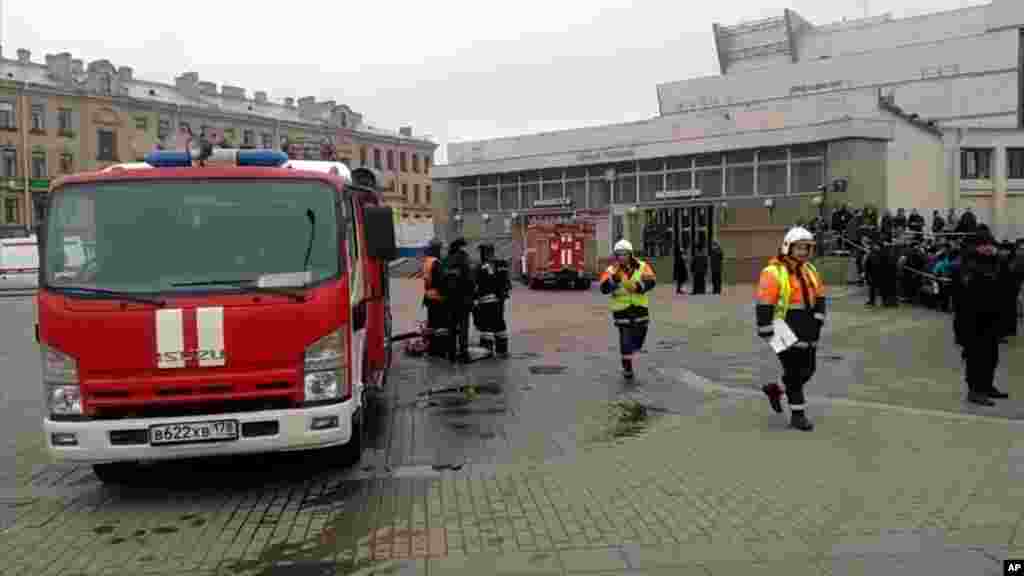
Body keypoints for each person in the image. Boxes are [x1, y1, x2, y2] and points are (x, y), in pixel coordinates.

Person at [757, 227, 826, 431]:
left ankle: (776, 389)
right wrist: (765, 327)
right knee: (795, 371)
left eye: (807, 248)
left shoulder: (810, 270)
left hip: (807, 326)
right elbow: (764, 302)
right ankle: (798, 416)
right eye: (799, 248)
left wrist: (818, 319)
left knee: (809, 369)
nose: (803, 252)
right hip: (780, 327)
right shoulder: (773, 271)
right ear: (788, 247)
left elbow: (820, 296)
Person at [954, 226, 1006, 405]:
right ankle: (975, 390)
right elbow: (967, 290)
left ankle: (987, 385)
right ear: (976, 246)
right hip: (973, 320)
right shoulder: (967, 263)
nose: (990, 248)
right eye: (986, 245)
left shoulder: (993, 261)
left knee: (991, 355)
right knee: (976, 356)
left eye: (991, 244)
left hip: (991, 318)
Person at [599, 239, 656, 380]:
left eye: (625, 254)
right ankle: (627, 368)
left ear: (630, 254)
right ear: (616, 256)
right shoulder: (612, 270)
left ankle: (634, 349)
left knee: (640, 337)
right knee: (625, 339)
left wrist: (639, 287)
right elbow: (603, 288)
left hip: (640, 308)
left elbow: (651, 280)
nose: (622, 257)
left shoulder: (642, 266)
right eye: (619, 254)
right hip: (621, 310)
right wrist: (614, 281)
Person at [473, 243, 512, 357]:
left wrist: (474, 299)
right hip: (500, 301)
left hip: (486, 302)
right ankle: (502, 350)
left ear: (484, 253)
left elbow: (476, 285)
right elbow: (507, 283)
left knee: (486, 327)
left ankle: (487, 350)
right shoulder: (502, 264)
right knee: (500, 325)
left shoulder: (482, 266)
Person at [441, 237, 475, 363]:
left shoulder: (445, 261)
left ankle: (451, 354)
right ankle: (463, 353)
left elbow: (442, 282)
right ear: (461, 247)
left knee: (451, 327)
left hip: (449, 300)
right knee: (463, 327)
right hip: (463, 300)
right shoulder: (464, 260)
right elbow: (470, 280)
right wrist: (472, 297)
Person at [421, 239, 447, 357]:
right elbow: (441, 281)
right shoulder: (436, 263)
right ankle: (440, 349)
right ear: (437, 249)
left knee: (431, 324)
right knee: (440, 326)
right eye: (440, 249)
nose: (441, 252)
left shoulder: (427, 261)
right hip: (437, 297)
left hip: (429, 297)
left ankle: (432, 348)